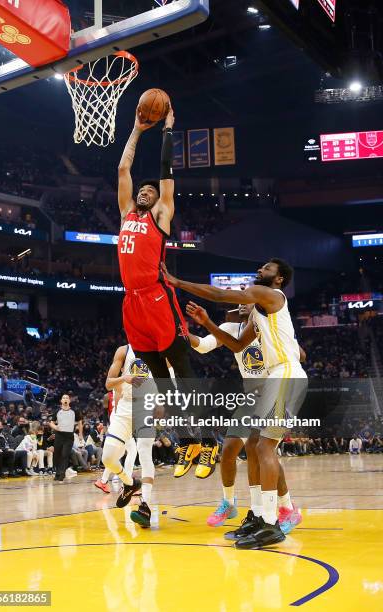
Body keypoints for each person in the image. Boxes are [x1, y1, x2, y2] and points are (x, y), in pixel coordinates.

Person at [162, 258, 308, 549]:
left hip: (285, 374)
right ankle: (257, 516)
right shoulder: (257, 315)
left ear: (279, 280)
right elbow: (239, 345)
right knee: (253, 446)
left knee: (265, 446)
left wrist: (177, 283)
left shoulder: (272, 295)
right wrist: (206, 323)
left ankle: (271, 522)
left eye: (267, 269)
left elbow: (219, 294)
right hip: (273, 377)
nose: (260, 271)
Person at [116, 105, 217, 478]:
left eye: (149, 191)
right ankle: (189, 440)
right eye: (141, 191)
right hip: (132, 303)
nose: (144, 192)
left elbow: (165, 174)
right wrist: (137, 130)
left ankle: (209, 442)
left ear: (158, 200)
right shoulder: (127, 214)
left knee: (184, 370)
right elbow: (124, 169)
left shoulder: (161, 216)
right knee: (162, 384)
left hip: (158, 298)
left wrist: (167, 130)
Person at [187, 303, 302, 535]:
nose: (241, 304)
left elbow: (300, 355)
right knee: (229, 449)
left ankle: (282, 507)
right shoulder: (231, 328)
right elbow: (203, 345)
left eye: (246, 299)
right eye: (238, 301)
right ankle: (229, 503)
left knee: (260, 450)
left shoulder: (270, 325)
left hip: (274, 392)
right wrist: (184, 335)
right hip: (250, 399)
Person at [101, 344, 158, 528]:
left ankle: (145, 507)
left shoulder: (156, 349)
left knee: (144, 450)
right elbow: (108, 383)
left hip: (147, 405)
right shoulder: (123, 351)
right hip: (125, 406)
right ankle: (130, 483)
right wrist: (123, 378)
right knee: (108, 458)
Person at [49, 394, 83, 482]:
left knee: (65, 455)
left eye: (67, 398)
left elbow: (80, 422)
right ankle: (57, 473)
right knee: (57, 455)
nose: (65, 399)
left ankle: (62, 474)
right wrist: (55, 427)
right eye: (63, 398)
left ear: (69, 401)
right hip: (59, 435)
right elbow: (51, 423)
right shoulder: (57, 411)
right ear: (61, 401)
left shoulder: (74, 411)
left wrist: (80, 434)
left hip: (69, 436)